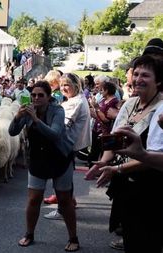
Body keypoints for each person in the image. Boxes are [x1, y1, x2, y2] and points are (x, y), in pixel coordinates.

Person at [85, 55, 163, 253]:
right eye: (136, 74)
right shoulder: (130, 103)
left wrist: (117, 168)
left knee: (147, 241)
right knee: (130, 237)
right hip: (126, 184)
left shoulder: (161, 109)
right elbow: (113, 141)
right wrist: (103, 162)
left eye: (145, 75)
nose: (138, 79)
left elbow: (154, 156)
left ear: (159, 80)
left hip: (150, 187)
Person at [9, 80, 79, 252]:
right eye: (33, 95)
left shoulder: (58, 110)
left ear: (49, 97)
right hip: (38, 158)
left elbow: (55, 134)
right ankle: (29, 234)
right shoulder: (27, 110)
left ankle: (73, 237)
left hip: (59, 156)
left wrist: (34, 119)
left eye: (41, 95)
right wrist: (18, 117)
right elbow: (12, 132)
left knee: (64, 200)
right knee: (34, 199)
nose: (36, 98)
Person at [43, 73, 91, 219]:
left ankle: (63, 209)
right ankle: (70, 201)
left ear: (75, 86)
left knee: (61, 177)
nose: (63, 88)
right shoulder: (78, 99)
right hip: (72, 144)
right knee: (66, 177)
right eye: (62, 84)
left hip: (66, 145)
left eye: (67, 85)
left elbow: (63, 126)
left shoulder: (74, 103)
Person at [87, 82, 119, 167]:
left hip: (105, 132)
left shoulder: (114, 102)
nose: (100, 92)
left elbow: (106, 119)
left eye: (102, 90)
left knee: (103, 152)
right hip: (96, 129)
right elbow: (98, 114)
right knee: (94, 151)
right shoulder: (103, 100)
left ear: (107, 90)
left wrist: (96, 108)